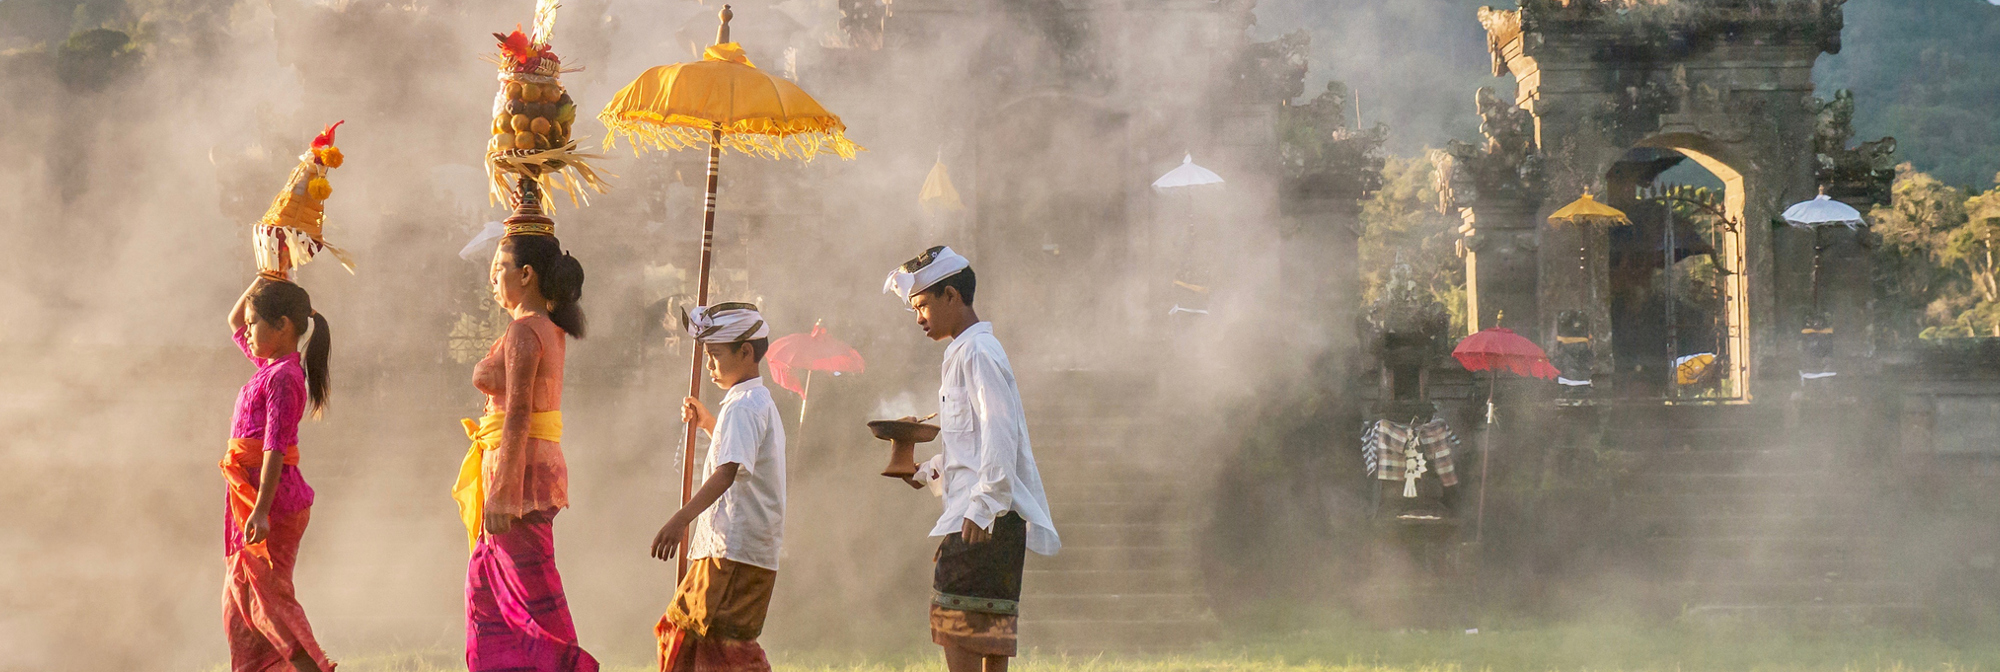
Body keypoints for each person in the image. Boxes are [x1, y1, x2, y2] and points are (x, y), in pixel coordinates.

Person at [883, 246, 1060, 672]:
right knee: (987, 641)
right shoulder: (964, 352)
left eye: (922, 306)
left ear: (951, 295)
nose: (919, 318)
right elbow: (970, 447)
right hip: (991, 515)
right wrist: (925, 472)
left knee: (957, 629)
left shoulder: (979, 352)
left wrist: (983, 507)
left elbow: (1000, 434)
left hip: (984, 519)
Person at [457, 184, 599, 672]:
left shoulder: (525, 330)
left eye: (499, 268)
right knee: (487, 593)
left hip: (517, 482)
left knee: (533, 602)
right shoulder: (544, 327)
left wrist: (502, 495)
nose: (493, 279)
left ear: (526, 274)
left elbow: (518, 413)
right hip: (523, 472)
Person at [651, 303, 788, 672]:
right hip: (734, 550)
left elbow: (728, 471)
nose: (709, 365)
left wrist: (681, 519)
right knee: (691, 640)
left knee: (723, 650)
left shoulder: (744, 407)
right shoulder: (752, 402)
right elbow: (739, 455)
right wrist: (708, 422)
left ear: (746, 352)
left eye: (715, 354)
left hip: (733, 552)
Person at [222, 276, 338, 672]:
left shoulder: (285, 377)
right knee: (243, 601)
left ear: (283, 325)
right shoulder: (268, 367)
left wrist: (261, 510)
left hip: (273, 502)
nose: (247, 331)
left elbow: (274, 447)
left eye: (255, 323)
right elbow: (234, 319)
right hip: (250, 494)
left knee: (270, 604)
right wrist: (267, 273)